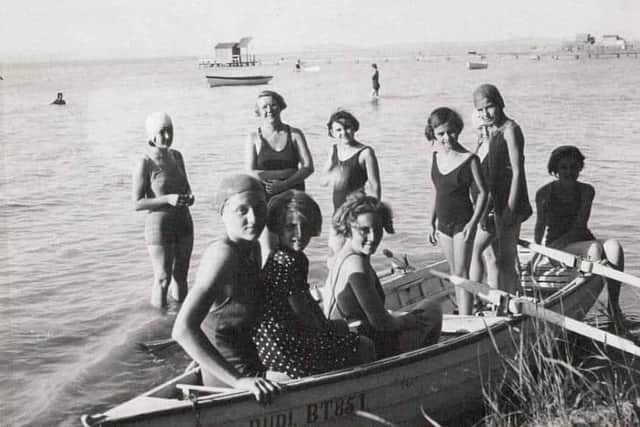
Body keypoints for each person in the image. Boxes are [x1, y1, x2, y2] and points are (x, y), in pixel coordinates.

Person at [172, 174, 283, 403]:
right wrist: (239, 382)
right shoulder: (223, 255)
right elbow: (182, 330)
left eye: (259, 207)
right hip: (234, 379)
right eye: (242, 211)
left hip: (246, 364)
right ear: (223, 213)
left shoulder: (251, 247)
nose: (254, 218)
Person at [252, 190, 375, 378]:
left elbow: (305, 304)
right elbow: (302, 313)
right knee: (365, 345)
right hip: (288, 351)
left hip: (276, 344)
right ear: (277, 228)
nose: (300, 234)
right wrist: (333, 329)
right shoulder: (289, 262)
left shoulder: (283, 257)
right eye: (291, 227)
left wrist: (332, 326)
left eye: (305, 226)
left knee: (345, 331)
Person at [325, 193, 442, 359]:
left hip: (353, 334)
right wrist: (408, 321)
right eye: (364, 231)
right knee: (432, 309)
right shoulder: (356, 264)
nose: (373, 238)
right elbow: (381, 323)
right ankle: (421, 366)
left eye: (378, 230)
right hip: (365, 343)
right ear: (349, 228)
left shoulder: (341, 256)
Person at [532, 146, 624, 321]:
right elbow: (539, 226)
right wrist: (538, 254)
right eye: (563, 167)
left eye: (573, 167)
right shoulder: (544, 193)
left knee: (614, 246)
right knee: (595, 250)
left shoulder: (587, 190)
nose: (569, 171)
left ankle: (614, 305)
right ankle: (579, 303)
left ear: (580, 168)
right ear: (555, 170)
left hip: (582, 240)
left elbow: (580, 226)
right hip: (557, 247)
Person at [425, 107, 487, 315]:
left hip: (463, 223)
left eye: (451, 132)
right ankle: (463, 312)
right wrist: (431, 222)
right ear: (433, 133)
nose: (447, 137)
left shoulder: (470, 159)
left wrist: (473, 223)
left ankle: (466, 318)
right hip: (442, 224)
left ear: (458, 130)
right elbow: (438, 193)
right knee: (454, 273)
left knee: (462, 273)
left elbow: (483, 194)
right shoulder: (435, 157)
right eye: (441, 133)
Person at [473, 84, 532, 295]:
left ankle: (513, 302)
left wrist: (510, 209)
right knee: (493, 257)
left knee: (506, 259)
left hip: (509, 201)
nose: (484, 114)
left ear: (500, 103)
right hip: (492, 202)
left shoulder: (510, 130)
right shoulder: (491, 131)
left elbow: (517, 172)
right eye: (479, 110)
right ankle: (499, 302)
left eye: (489, 107)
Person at [133, 112, 194, 308]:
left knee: (181, 276)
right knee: (162, 278)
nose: (167, 136)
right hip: (159, 226)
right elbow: (137, 203)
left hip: (183, 221)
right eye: (162, 132)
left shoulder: (177, 156)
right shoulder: (145, 162)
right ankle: (158, 325)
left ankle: (179, 321)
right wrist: (168, 199)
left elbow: (186, 187)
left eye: (170, 131)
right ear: (151, 136)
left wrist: (189, 197)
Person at [245, 90, 314, 264]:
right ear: (258, 111)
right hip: (266, 200)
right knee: (269, 250)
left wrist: (283, 185)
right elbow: (251, 172)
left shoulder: (295, 134)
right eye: (264, 107)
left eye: (273, 105)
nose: (269, 110)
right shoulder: (254, 137)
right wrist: (287, 172)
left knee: (295, 248)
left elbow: (308, 168)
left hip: (293, 201)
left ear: (281, 106)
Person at [469, 109, 500, 293]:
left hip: (490, 212)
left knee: (475, 250)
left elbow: (492, 189)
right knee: (491, 256)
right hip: (480, 210)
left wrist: (480, 216)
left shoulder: (495, 150)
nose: (485, 132)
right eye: (480, 128)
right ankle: (496, 299)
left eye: (488, 127)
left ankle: (475, 298)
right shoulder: (480, 148)